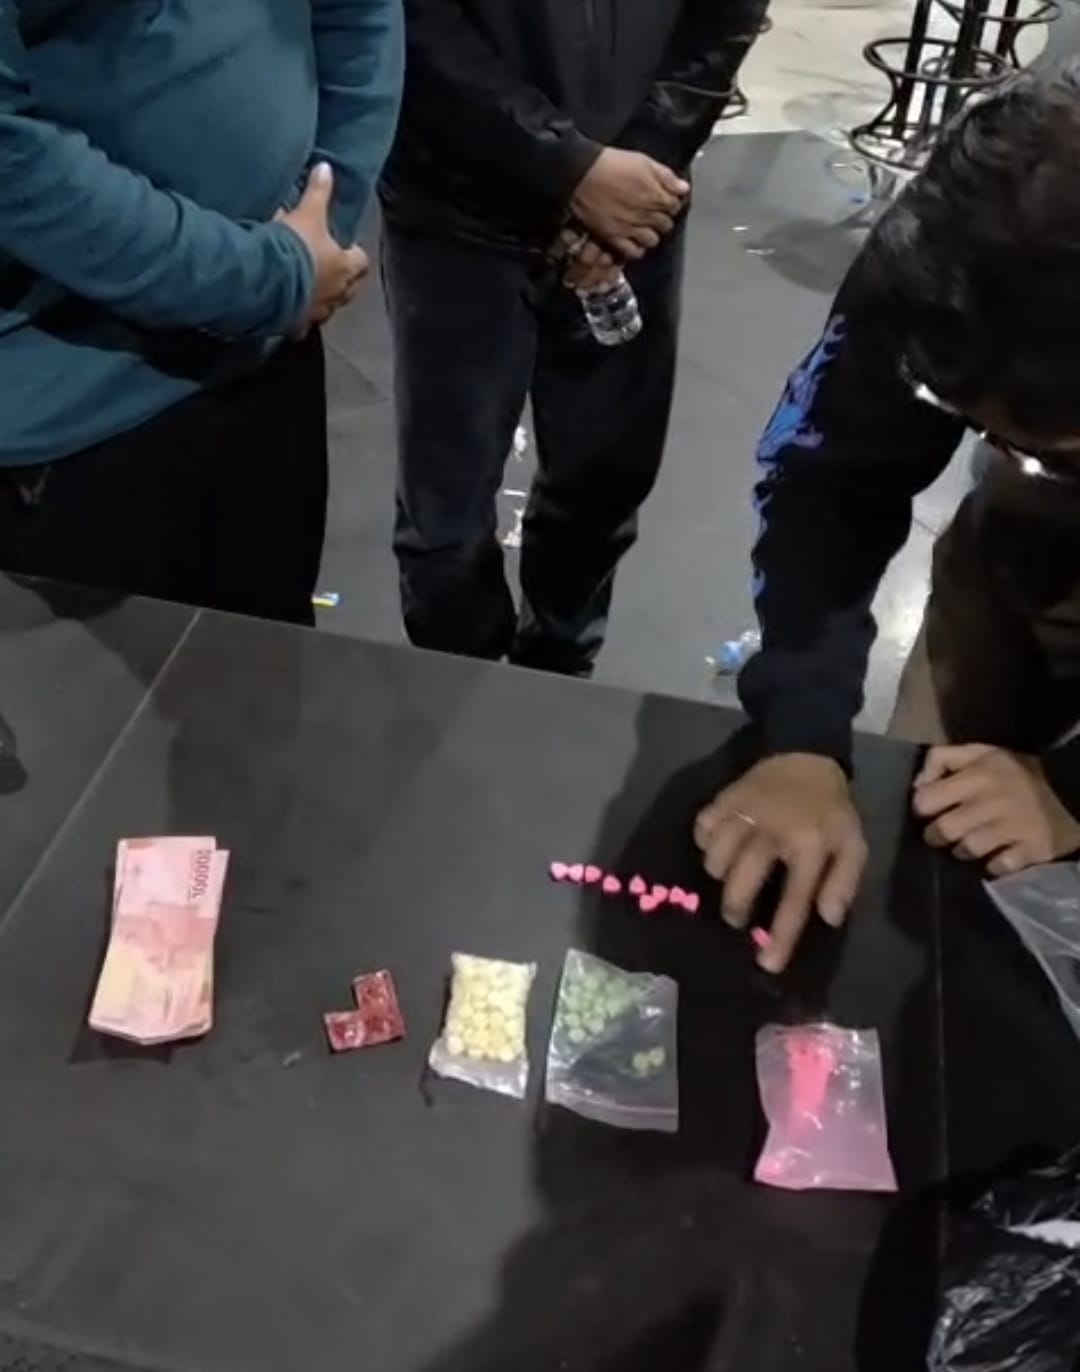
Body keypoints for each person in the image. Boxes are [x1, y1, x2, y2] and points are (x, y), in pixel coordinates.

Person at [694, 63, 1080, 971]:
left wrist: (1070, 790)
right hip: (1012, 563)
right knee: (929, 895)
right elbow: (830, 477)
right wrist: (805, 737)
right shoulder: (962, 251)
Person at [380, 0, 766, 673]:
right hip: (457, 206)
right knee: (446, 519)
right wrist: (567, 167)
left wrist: (644, 161)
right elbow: (413, 22)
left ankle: (558, 670)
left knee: (601, 486)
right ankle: (456, 684)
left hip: (636, 205)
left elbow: (723, 18)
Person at [0, 0, 402, 626]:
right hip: (78, 409)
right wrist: (271, 278)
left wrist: (322, 221)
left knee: (265, 662)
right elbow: (10, 157)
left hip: (268, 362)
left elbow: (361, 14)